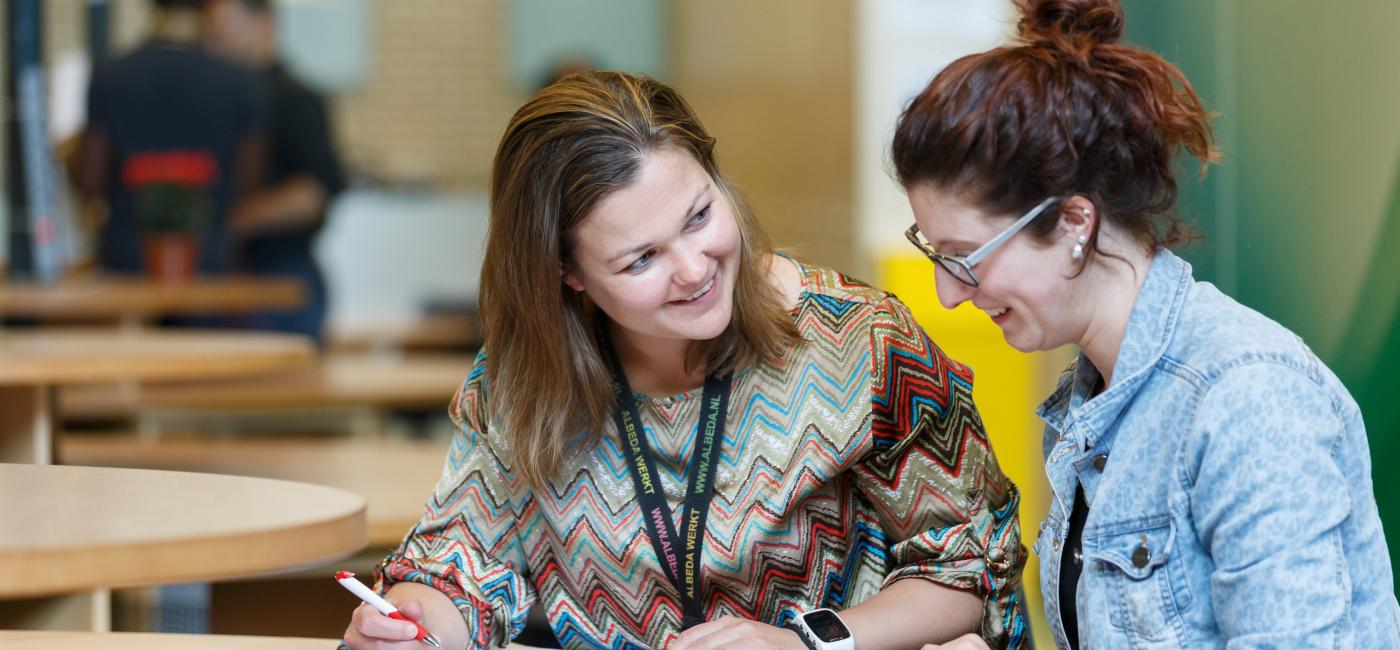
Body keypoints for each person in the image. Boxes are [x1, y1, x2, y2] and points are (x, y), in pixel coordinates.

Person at [342, 71, 1027, 649]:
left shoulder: (862, 344)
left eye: (700, 216)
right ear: (566, 273)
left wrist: (803, 641)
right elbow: (457, 567)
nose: (695, 270)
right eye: (641, 258)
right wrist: (412, 625)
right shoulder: (522, 381)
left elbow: (971, 569)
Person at [889, 0, 1400, 647]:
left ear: (1075, 223)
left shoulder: (1247, 399)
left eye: (965, 258)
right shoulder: (1094, 401)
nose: (946, 293)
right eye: (935, 255)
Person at [73, 0, 264, 276]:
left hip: (127, 257)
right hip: (208, 260)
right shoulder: (240, 81)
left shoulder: (110, 75)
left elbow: (91, 178)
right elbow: (248, 184)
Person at [205, 0, 346, 343]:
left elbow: (316, 192)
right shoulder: (229, 98)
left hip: (283, 277)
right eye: (211, 35)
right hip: (239, 277)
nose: (214, 46)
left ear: (264, 23)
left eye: (225, 32)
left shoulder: (292, 98)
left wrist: (230, 220)